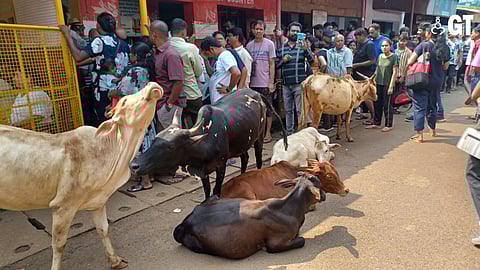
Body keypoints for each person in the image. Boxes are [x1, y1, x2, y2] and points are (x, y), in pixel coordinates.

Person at [59, 12, 130, 125]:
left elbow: (78, 56)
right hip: (119, 90)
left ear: (98, 26)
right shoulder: (123, 44)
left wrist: (67, 35)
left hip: (103, 91)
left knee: (104, 122)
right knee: (118, 121)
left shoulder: (99, 41)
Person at [111, 41, 157, 192]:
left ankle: (145, 181)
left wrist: (112, 91)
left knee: (138, 145)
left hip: (136, 114)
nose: (129, 56)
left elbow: (123, 90)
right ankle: (149, 176)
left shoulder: (135, 71)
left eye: (131, 54)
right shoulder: (149, 68)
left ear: (136, 55)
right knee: (148, 143)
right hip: (147, 111)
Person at [407, 23, 450, 143]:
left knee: (419, 108)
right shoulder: (445, 48)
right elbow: (446, 66)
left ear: (429, 33)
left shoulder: (424, 45)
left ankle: (420, 135)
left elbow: (410, 61)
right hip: (437, 81)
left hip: (422, 80)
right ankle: (432, 130)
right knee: (432, 106)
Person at [276, 21, 314, 135]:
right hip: (286, 84)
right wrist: (283, 60)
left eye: (297, 31)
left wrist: (305, 49)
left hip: (299, 84)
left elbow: (312, 61)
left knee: (300, 110)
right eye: (293, 31)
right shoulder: (282, 48)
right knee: (288, 111)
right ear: (288, 32)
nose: (295, 33)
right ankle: (289, 133)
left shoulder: (303, 47)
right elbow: (277, 65)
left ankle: (301, 133)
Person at [170, 18, 204, 129]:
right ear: (183, 32)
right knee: (198, 125)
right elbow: (199, 72)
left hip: (171, 94)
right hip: (191, 92)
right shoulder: (190, 48)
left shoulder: (166, 47)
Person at [246, 20, 276, 143]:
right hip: (252, 83)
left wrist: (271, 82)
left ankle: (268, 133)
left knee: (267, 109)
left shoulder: (269, 44)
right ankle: (257, 134)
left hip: (265, 82)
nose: (258, 31)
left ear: (264, 30)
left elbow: (272, 63)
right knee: (254, 111)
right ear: (252, 30)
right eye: (256, 29)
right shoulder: (249, 45)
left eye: (261, 29)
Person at [366, 39, 398, 132]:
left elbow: (395, 71)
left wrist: (391, 85)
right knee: (377, 103)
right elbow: (377, 68)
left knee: (387, 104)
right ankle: (376, 122)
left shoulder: (394, 57)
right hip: (379, 82)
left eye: (386, 45)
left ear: (390, 46)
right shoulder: (380, 56)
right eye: (383, 46)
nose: (384, 47)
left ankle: (388, 124)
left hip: (388, 83)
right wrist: (372, 78)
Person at [201, 37, 241, 105]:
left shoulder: (225, 56)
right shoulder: (220, 57)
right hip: (220, 101)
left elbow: (236, 73)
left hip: (224, 102)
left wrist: (228, 89)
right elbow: (212, 74)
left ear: (212, 49)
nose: (210, 56)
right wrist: (206, 59)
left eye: (208, 54)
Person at [352, 28, 376, 124]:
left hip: (365, 75)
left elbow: (372, 60)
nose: (356, 39)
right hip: (358, 74)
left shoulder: (369, 45)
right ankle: (367, 114)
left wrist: (357, 65)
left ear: (362, 35)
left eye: (357, 37)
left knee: (367, 97)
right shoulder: (361, 45)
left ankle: (373, 118)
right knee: (362, 96)